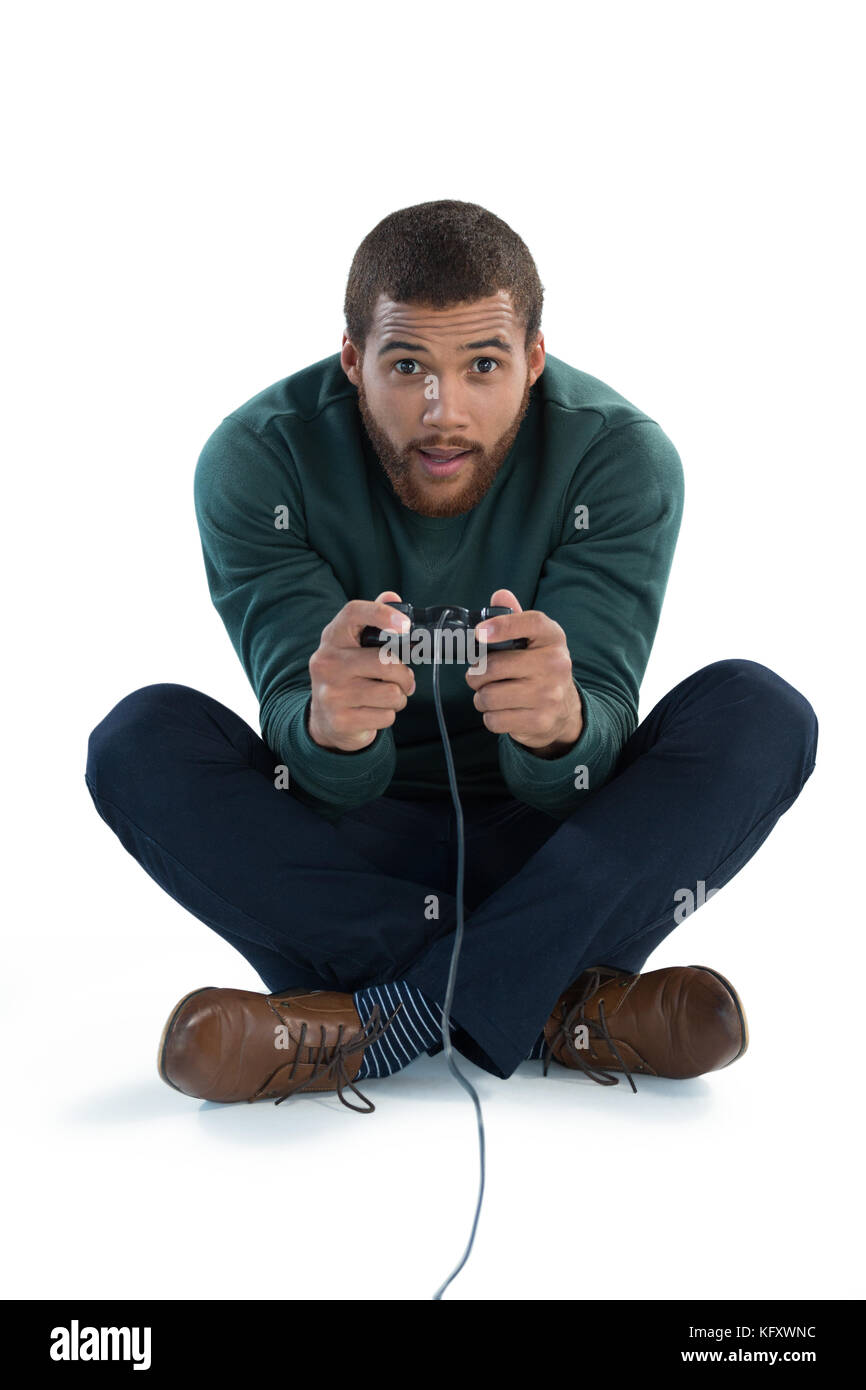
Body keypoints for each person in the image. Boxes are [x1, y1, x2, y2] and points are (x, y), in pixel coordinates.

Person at [84, 199, 818, 1113]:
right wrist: (328, 730)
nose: (445, 413)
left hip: (555, 852)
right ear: (353, 361)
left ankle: (378, 1017)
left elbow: (587, 767)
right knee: (139, 739)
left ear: (534, 359)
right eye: (406, 366)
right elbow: (313, 764)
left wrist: (563, 730)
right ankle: (562, 1010)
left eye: (482, 365)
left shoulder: (618, 459)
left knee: (760, 712)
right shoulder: (258, 460)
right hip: (346, 862)